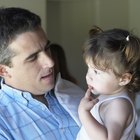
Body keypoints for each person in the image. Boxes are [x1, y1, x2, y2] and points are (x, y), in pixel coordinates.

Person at [0, 7, 85, 140]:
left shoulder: (73, 92)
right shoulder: (3, 124)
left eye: (47, 48)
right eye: (33, 57)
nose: (50, 62)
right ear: (3, 70)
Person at [76, 27, 140, 140]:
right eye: (89, 68)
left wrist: (84, 113)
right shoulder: (109, 97)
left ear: (123, 79)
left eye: (96, 72)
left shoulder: (119, 105)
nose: (88, 76)